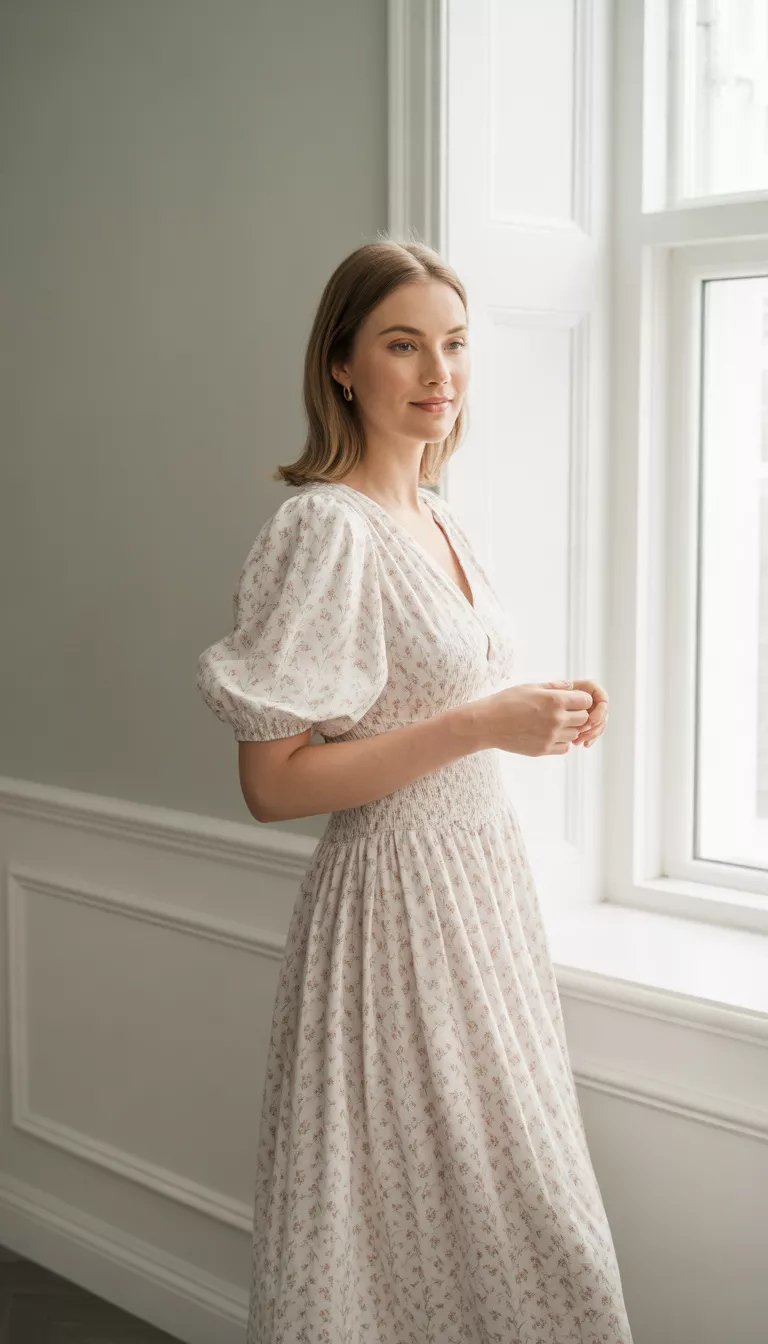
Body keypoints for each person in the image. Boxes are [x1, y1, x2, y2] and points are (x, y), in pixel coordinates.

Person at [196, 237, 631, 1343]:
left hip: (481, 900)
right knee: (418, 1242)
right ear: (341, 366)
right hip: (392, 917)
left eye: (455, 344)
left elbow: (420, 702)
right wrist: (479, 724)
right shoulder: (323, 528)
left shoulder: (436, 514)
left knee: (513, 1229)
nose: (440, 372)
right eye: (403, 346)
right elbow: (273, 783)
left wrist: (532, 711)